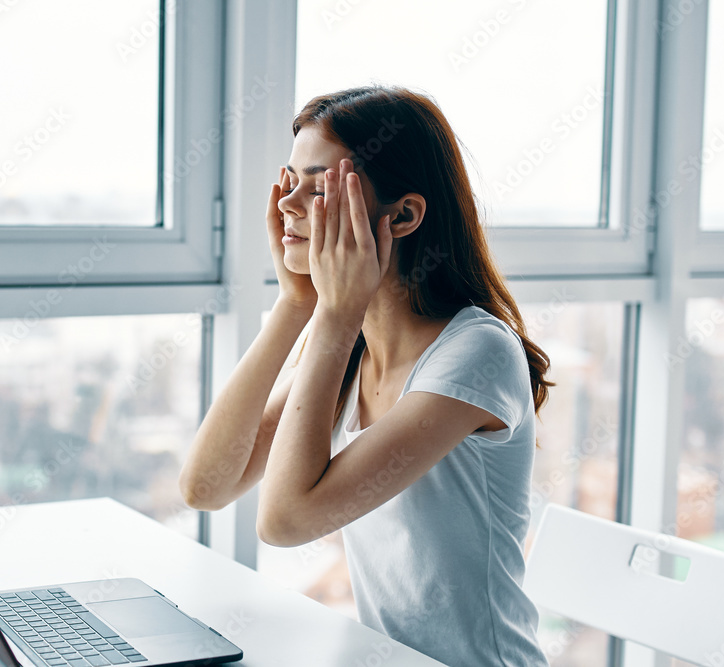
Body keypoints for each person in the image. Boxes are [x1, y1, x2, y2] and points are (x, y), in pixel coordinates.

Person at [179, 84, 552, 666]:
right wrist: (295, 304)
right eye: (290, 179)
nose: (287, 204)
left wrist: (332, 313)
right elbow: (206, 487)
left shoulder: (477, 351)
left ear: (402, 215)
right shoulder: (349, 342)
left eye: (320, 185)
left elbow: (284, 521)